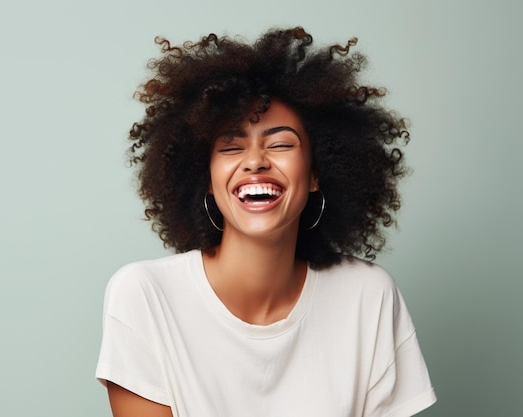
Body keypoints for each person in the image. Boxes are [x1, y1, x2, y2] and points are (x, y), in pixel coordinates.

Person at [95, 26, 436, 417]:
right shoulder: (144, 296)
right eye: (231, 147)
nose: (255, 161)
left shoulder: (368, 296)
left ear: (315, 173)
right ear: (205, 178)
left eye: (280, 144)